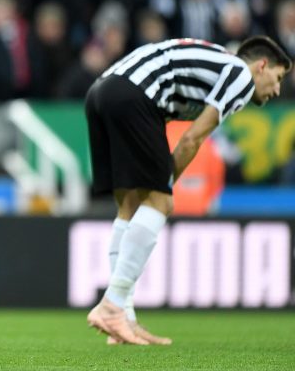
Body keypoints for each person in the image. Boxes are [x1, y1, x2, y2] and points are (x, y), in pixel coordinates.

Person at [85, 36, 291, 345]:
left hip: (101, 92)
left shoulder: (214, 67)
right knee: (160, 204)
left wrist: (157, 184)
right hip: (135, 94)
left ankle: (122, 317)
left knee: (129, 206)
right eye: (277, 78)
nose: (276, 90)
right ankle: (113, 304)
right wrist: (163, 186)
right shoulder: (240, 76)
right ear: (261, 66)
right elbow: (191, 139)